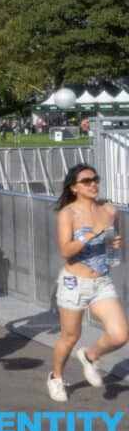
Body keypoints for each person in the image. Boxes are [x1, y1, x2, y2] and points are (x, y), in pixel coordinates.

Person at [47, 164, 127, 402]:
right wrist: (91, 233)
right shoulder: (68, 214)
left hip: (101, 280)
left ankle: (90, 356)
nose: (93, 184)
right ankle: (56, 377)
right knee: (70, 337)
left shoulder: (110, 210)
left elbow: (113, 238)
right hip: (75, 281)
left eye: (95, 179)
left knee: (120, 335)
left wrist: (114, 244)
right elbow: (65, 250)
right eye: (86, 181)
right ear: (73, 187)